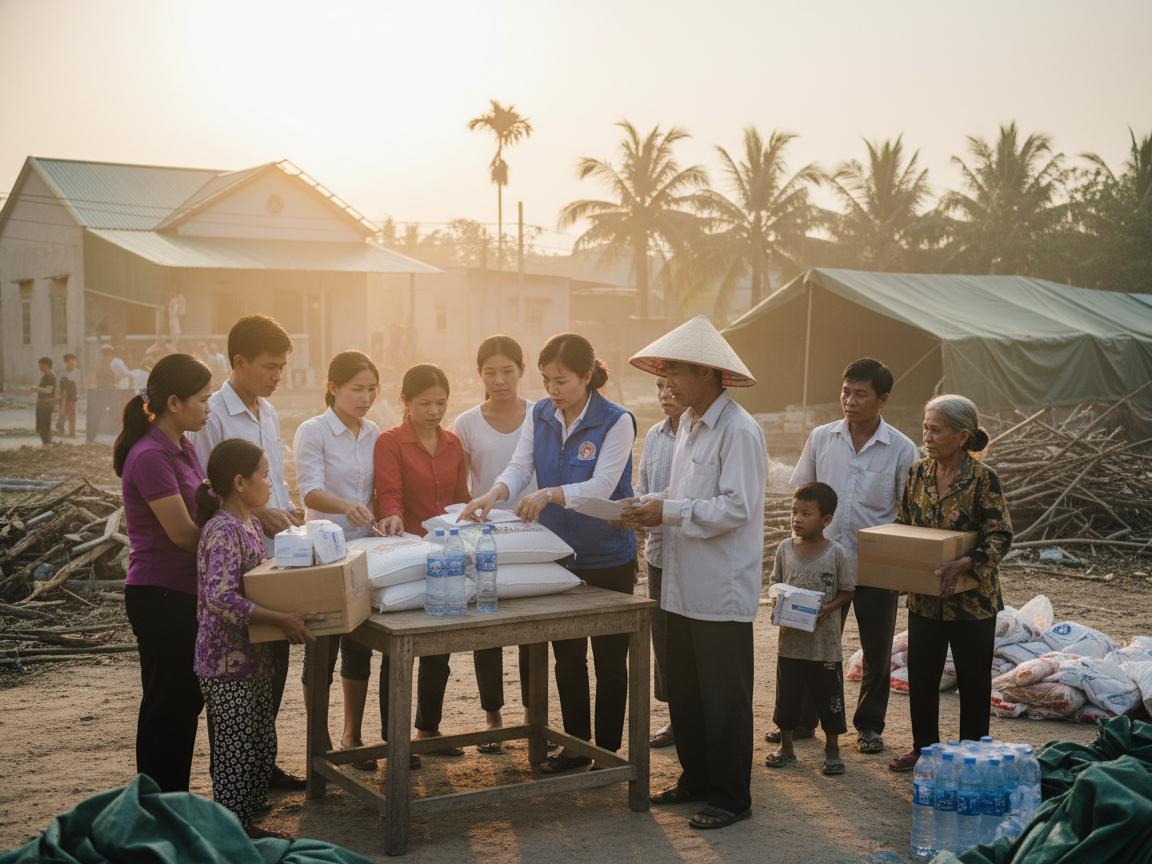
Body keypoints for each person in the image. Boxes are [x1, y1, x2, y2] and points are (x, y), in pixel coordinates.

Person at [462, 334, 638, 774]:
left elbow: (603, 486)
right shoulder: (540, 414)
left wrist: (551, 494)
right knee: (568, 656)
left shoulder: (616, 421)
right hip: (560, 552)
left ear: (587, 376)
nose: (552, 390)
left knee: (610, 660)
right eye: (545, 380)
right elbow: (520, 465)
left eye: (561, 381)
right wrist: (494, 494)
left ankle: (607, 752)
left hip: (609, 555)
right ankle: (576, 746)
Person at [623, 314, 765, 831]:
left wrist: (668, 510)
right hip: (681, 580)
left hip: (719, 587)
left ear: (706, 372)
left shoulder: (739, 431)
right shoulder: (687, 425)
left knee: (724, 697)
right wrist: (651, 505)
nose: (668, 383)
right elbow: (684, 495)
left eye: (675, 373)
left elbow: (736, 507)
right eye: (664, 374)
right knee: (686, 691)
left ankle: (731, 796)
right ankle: (696, 778)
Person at [769, 358, 917, 756]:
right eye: (846, 392)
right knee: (810, 641)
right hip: (823, 563)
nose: (850, 401)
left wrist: (901, 570)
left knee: (876, 650)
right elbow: (803, 494)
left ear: (882, 399)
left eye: (860, 394)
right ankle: (802, 721)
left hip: (876, 565)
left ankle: (869, 726)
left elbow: (908, 513)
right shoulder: (822, 438)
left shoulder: (902, 449)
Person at [190, 314, 306, 792]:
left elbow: (271, 478)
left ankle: (261, 766)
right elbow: (209, 489)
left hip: (270, 552)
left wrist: (285, 511)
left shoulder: (269, 411)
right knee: (236, 689)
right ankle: (236, 781)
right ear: (239, 362)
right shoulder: (214, 415)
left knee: (270, 669)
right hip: (235, 558)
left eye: (282, 367)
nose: (278, 376)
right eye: (269, 367)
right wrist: (261, 514)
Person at [374, 363, 498, 762]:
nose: (434, 411)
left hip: (447, 553)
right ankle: (394, 740)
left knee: (438, 647)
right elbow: (389, 491)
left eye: (441, 403)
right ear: (405, 401)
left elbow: (460, 496)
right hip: (408, 553)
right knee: (400, 649)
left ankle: (428, 728)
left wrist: (470, 520)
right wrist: (392, 516)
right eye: (424, 403)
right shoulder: (390, 442)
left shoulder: (451, 443)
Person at [194, 438, 314, 839]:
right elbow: (220, 598)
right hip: (226, 659)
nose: (269, 483)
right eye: (264, 475)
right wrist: (280, 618)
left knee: (259, 738)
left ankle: (247, 817)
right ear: (240, 482)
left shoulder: (249, 523)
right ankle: (232, 830)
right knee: (235, 747)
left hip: (255, 653)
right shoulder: (222, 530)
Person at [888, 395, 1013, 772]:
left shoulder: (983, 479)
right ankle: (923, 749)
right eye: (925, 428)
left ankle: (972, 754)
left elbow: (1000, 535)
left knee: (973, 682)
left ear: (962, 436)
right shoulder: (917, 474)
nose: (927, 436)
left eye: (936, 430)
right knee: (922, 677)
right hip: (926, 598)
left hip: (972, 601)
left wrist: (966, 563)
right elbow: (904, 526)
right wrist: (899, 570)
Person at [113, 353, 213, 792]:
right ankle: (158, 806)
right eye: (202, 399)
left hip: (184, 592)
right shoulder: (150, 455)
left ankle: (172, 801)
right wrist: (230, 540)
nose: (209, 407)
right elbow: (183, 534)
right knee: (166, 705)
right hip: (160, 594)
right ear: (174, 402)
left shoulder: (182, 446)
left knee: (184, 701)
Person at [293, 350, 381, 768]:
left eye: (372, 389)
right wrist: (346, 506)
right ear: (332, 388)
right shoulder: (314, 431)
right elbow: (309, 491)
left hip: (364, 549)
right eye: (356, 389)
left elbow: (377, 488)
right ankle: (319, 738)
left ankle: (353, 735)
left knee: (359, 646)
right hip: (324, 553)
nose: (365, 398)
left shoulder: (374, 432)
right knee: (321, 647)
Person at [451, 335, 535, 751]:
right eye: (490, 372)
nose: (499, 380)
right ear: (479, 374)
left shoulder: (541, 415)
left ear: (522, 370)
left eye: (507, 371)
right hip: (484, 535)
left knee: (533, 627)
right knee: (488, 627)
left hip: (533, 535)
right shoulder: (466, 423)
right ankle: (492, 717)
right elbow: (460, 483)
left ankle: (532, 715)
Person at [764, 482, 855, 775]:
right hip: (791, 642)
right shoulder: (784, 549)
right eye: (794, 512)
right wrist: (777, 598)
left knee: (829, 698)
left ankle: (832, 749)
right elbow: (774, 582)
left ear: (826, 520)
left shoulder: (835, 553)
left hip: (824, 645)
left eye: (806, 513)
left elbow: (847, 590)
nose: (797, 519)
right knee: (787, 697)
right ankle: (787, 748)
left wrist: (826, 609)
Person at [634, 376, 681, 749]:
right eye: (660, 387)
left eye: (672, 386)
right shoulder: (654, 434)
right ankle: (677, 717)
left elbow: (687, 493)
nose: (666, 394)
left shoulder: (703, 435)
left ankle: (696, 715)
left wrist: (651, 504)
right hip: (659, 552)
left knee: (691, 638)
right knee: (663, 638)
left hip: (693, 554)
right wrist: (633, 511)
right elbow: (642, 486)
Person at [28, 357, 56, 446]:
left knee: (45, 426)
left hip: (46, 404)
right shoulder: (44, 377)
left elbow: (49, 390)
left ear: (46, 365)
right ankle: (46, 444)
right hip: (42, 403)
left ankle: (47, 444)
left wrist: (36, 388)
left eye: (41, 365)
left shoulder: (50, 377)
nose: (40, 367)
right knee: (41, 426)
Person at [56, 353, 78, 438]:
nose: (73, 364)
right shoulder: (62, 373)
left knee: (71, 416)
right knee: (63, 414)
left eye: (74, 362)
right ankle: (62, 431)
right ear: (66, 362)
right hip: (64, 396)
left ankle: (71, 434)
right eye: (70, 362)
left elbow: (77, 385)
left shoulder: (77, 372)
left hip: (72, 398)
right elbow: (61, 388)